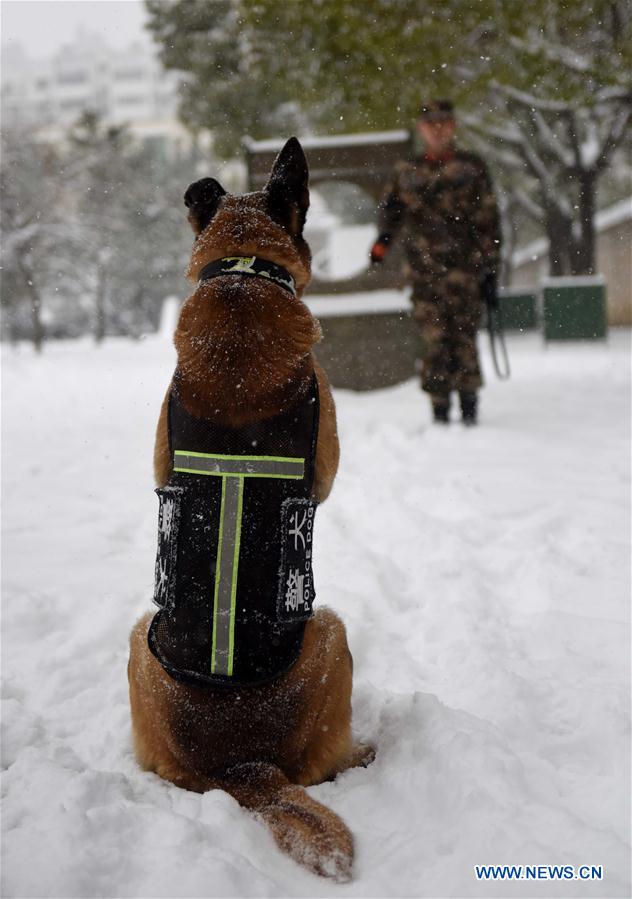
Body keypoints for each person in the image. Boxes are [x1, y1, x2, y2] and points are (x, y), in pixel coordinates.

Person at [370, 99, 501, 425]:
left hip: (466, 272)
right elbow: (392, 213)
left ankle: (469, 405)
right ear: (421, 129)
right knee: (433, 341)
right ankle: (439, 408)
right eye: (431, 123)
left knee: (465, 338)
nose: (438, 128)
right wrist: (381, 244)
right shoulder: (407, 172)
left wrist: (490, 269)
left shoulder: (472, 167)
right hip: (424, 273)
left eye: (443, 121)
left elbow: (489, 222)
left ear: (453, 125)